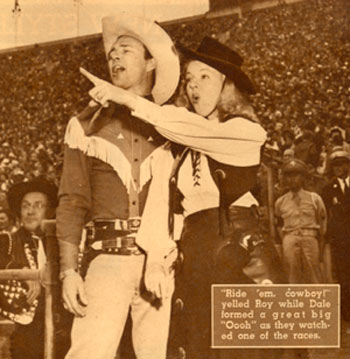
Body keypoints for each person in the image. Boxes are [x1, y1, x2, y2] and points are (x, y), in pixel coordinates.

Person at [82, 36, 284, 359]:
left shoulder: (245, 133)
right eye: (189, 78)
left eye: (205, 76)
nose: (193, 87)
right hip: (195, 262)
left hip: (241, 259)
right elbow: (162, 207)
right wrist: (157, 263)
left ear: (227, 85)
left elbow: (185, 127)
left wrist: (126, 97)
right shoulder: (175, 150)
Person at [56, 14, 180, 359]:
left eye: (125, 50)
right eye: (111, 53)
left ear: (150, 61)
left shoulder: (174, 125)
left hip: (162, 261)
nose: (114, 58)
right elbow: (72, 201)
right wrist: (69, 271)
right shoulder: (85, 126)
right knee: (88, 353)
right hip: (107, 259)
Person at [0, 178, 70, 359]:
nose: (30, 212)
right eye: (25, 206)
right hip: (27, 333)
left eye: (38, 206)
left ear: (50, 211)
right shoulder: (8, 241)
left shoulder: (63, 243)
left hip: (65, 328)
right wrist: (23, 272)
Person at [275, 159, 327, 284]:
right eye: (288, 176)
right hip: (290, 238)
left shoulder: (314, 199)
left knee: (314, 275)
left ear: (303, 178)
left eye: (296, 175)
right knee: (292, 276)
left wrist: (320, 245)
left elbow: (322, 224)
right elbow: (278, 224)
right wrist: (287, 239)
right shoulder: (281, 202)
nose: (292, 179)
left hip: (310, 238)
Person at [321, 147, 350, 321]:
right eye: (335, 165)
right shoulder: (328, 188)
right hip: (340, 239)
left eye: (342, 164)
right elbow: (324, 213)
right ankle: (346, 312)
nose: (338, 168)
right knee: (342, 273)